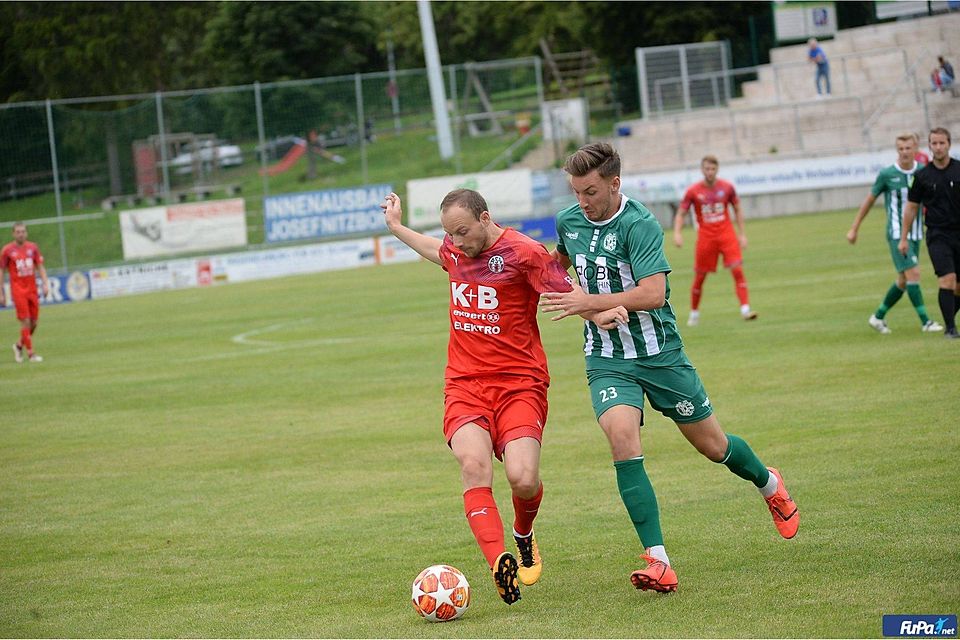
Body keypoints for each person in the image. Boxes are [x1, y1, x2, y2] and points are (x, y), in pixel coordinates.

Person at [540, 142, 799, 594]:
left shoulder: (640, 224)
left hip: (660, 355)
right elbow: (560, 266)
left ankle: (769, 482)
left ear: (614, 183)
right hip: (607, 358)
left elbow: (652, 294)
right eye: (576, 192)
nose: (582, 201)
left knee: (714, 447)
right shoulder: (570, 220)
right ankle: (658, 561)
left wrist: (593, 301)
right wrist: (579, 303)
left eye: (591, 192)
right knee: (623, 441)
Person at [380, 188, 626, 604]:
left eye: (461, 233)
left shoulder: (523, 252)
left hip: (519, 383)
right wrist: (397, 227)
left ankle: (524, 534)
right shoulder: (456, 250)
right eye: (450, 235)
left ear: (485, 218)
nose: (456, 243)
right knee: (473, 465)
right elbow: (434, 249)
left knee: (523, 479)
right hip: (465, 383)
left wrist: (598, 313)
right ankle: (499, 563)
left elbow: (563, 289)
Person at [846, 132, 943, 334]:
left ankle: (878, 317)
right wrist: (855, 227)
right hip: (897, 234)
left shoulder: (924, 172)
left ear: (916, 149)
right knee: (914, 273)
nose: (904, 152)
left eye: (908, 148)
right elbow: (869, 200)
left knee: (903, 280)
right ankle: (926, 321)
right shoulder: (887, 174)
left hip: (916, 233)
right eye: (900, 149)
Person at [674, 155, 757, 326]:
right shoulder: (693, 191)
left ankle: (745, 309)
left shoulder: (727, 188)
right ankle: (694, 314)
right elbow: (681, 213)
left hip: (726, 234)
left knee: (737, 270)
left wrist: (742, 234)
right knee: (700, 276)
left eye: (712, 169)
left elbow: (738, 209)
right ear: (702, 170)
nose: (709, 172)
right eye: (706, 169)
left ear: (717, 169)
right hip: (706, 237)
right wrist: (677, 233)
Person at [900, 128, 960, 338]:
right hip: (937, 235)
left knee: (958, 287)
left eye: (941, 143)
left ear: (949, 144)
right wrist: (903, 237)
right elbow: (911, 207)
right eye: (934, 143)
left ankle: (949, 320)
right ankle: (951, 329)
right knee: (947, 279)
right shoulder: (923, 176)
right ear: (929, 146)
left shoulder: (959, 170)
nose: (938, 147)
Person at [0, 222, 49, 363]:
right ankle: (31, 354)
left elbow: (40, 266)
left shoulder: (33, 248)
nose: (21, 234)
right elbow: (1, 271)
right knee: (26, 321)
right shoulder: (7, 251)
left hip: (32, 290)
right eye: (18, 231)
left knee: (34, 323)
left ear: (26, 233)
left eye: (23, 231)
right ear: (13, 234)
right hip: (18, 290)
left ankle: (18, 346)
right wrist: (1, 292)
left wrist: (46, 284)